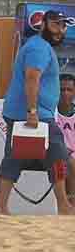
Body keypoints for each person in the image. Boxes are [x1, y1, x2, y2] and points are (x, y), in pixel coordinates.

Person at [0, 10, 73, 216]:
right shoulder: (39, 47)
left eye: (63, 25)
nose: (60, 30)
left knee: (15, 157)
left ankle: (1, 208)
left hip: (28, 112)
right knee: (58, 156)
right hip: (33, 113)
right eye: (55, 24)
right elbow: (32, 78)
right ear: (43, 24)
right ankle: (64, 206)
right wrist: (32, 111)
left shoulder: (39, 46)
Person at [57, 74, 75, 205]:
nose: (65, 93)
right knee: (68, 163)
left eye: (69, 90)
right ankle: (69, 205)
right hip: (57, 154)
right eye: (62, 90)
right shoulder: (50, 113)